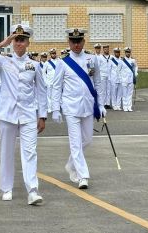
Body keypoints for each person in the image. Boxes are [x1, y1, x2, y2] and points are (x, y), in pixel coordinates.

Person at [0, 24, 47, 205]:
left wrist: (42, 116)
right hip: (7, 114)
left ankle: (32, 190)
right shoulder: (3, 61)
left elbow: (41, 91)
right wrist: (2, 43)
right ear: (12, 41)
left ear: (27, 42)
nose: (18, 43)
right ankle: (6, 188)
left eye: (22, 40)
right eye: (16, 39)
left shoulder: (34, 65)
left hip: (27, 115)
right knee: (6, 152)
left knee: (30, 153)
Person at [51, 28, 106, 189]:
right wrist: (55, 109)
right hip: (70, 107)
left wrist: (101, 104)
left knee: (87, 140)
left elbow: (98, 83)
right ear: (69, 42)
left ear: (83, 41)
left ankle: (71, 164)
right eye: (73, 42)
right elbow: (56, 86)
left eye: (79, 41)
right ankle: (83, 176)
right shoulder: (63, 62)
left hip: (88, 106)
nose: (76, 45)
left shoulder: (92, 59)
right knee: (75, 143)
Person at [119, 47, 138, 112]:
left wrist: (135, 73)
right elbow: (118, 70)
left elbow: (136, 67)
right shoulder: (121, 61)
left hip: (131, 79)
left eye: (129, 52)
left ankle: (129, 107)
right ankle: (125, 106)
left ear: (130, 53)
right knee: (124, 94)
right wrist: (120, 78)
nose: (128, 53)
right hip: (124, 79)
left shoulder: (133, 60)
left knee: (130, 94)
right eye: (127, 52)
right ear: (125, 53)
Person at [42, 48, 60, 113]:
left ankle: (56, 108)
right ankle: (49, 108)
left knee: (56, 95)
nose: (54, 54)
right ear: (50, 54)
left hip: (57, 81)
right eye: (52, 53)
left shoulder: (59, 61)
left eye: (54, 53)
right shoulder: (47, 63)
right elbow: (43, 73)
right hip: (49, 81)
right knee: (49, 96)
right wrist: (45, 82)